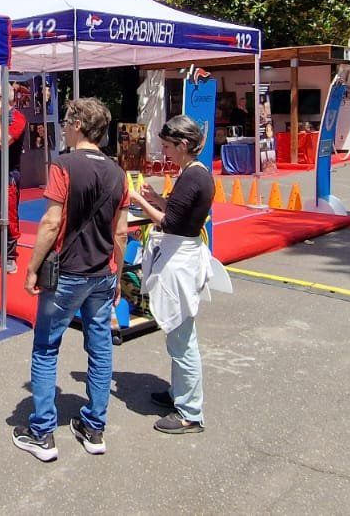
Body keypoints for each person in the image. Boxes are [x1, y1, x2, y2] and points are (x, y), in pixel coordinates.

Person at [14, 98, 127, 462]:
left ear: (78, 124)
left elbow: (50, 222)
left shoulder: (63, 165)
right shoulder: (117, 172)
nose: (63, 125)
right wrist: (119, 275)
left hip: (67, 273)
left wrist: (32, 267)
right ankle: (94, 427)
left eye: (66, 120)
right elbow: (121, 233)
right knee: (100, 347)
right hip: (102, 273)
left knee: (46, 348)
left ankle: (42, 432)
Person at [129, 115, 222, 435]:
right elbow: (178, 212)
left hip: (181, 260)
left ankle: (190, 412)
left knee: (182, 338)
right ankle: (180, 395)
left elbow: (169, 223)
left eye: (168, 146)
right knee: (179, 334)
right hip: (183, 255)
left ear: (183, 145)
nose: (165, 152)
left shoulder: (193, 177)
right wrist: (157, 199)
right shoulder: (196, 174)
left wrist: (140, 200)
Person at [0, 94, 26, 261]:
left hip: (9, 174)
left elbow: (3, 143)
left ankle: (9, 255)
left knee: (8, 214)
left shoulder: (17, 118)